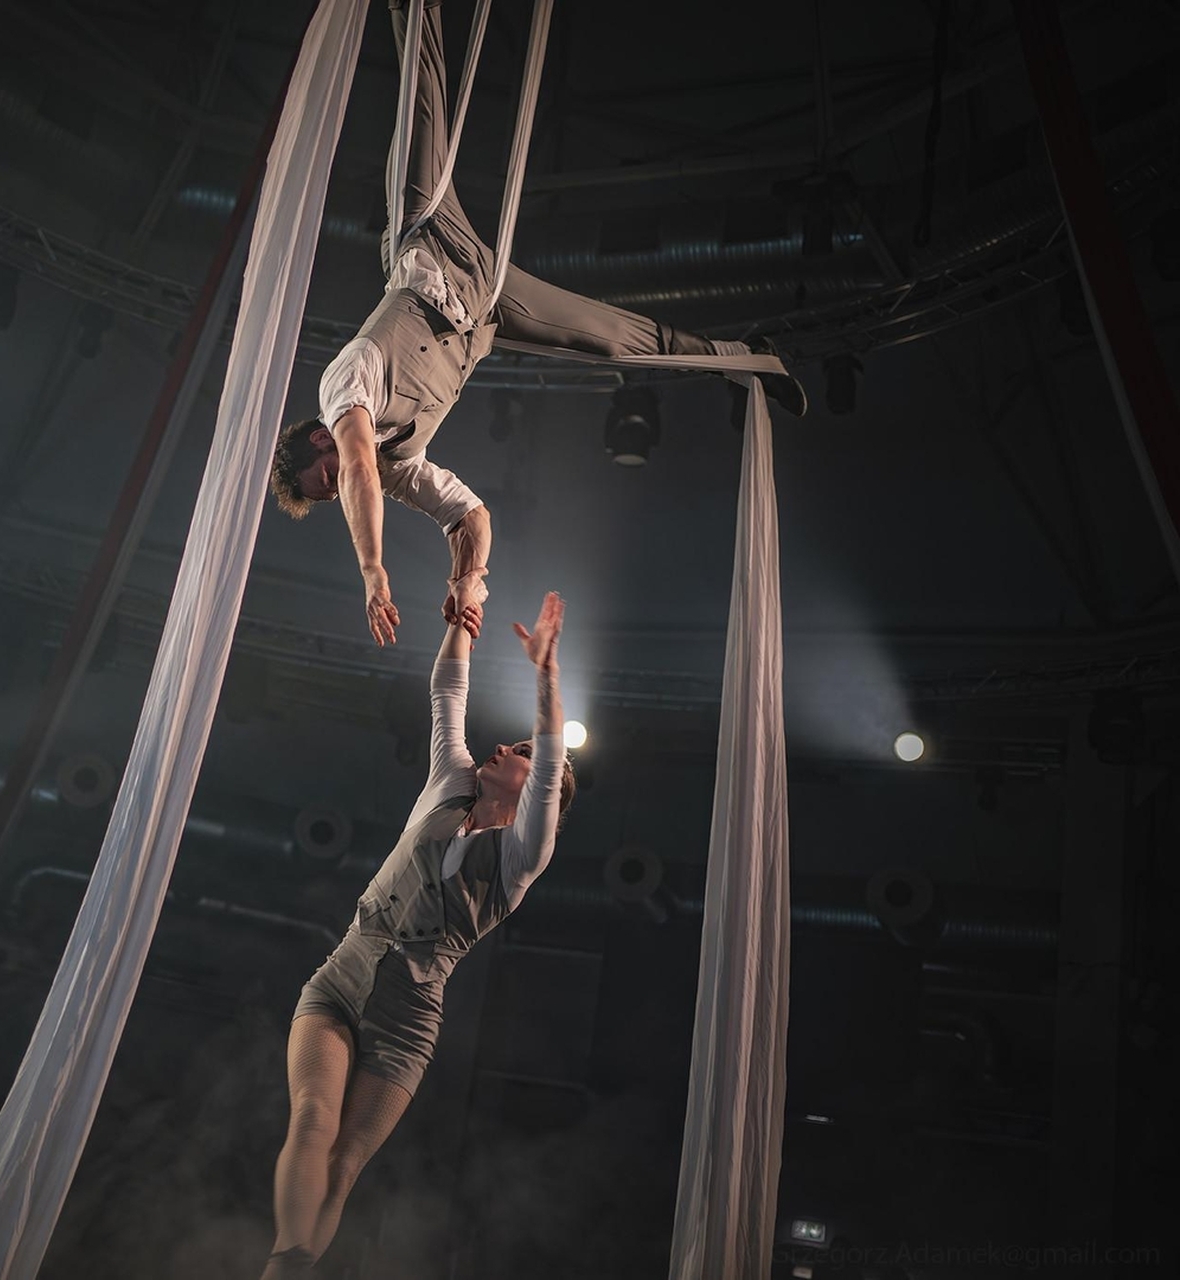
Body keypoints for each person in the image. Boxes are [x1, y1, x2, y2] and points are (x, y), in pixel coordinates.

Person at [268, 0, 805, 647]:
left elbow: (357, 467)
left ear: (321, 440)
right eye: (332, 496)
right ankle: (749, 357)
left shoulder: (341, 394)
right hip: (488, 308)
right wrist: (466, 579)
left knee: (422, 110)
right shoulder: (401, 467)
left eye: (326, 478)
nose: (345, 489)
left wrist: (374, 570)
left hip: (430, 246)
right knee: (616, 343)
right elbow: (472, 516)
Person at [260, 590, 573, 1277]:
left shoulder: (520, 857)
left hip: (407, 1019)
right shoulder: (448, 784)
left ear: (531, 792)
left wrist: (546, 673)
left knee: (345, 1164)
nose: (503, 747)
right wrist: (461, 624)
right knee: (312, 1116)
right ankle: (280, 1264)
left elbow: (551, 766)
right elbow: (447, 695)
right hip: (343, 976)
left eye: (518, 752)